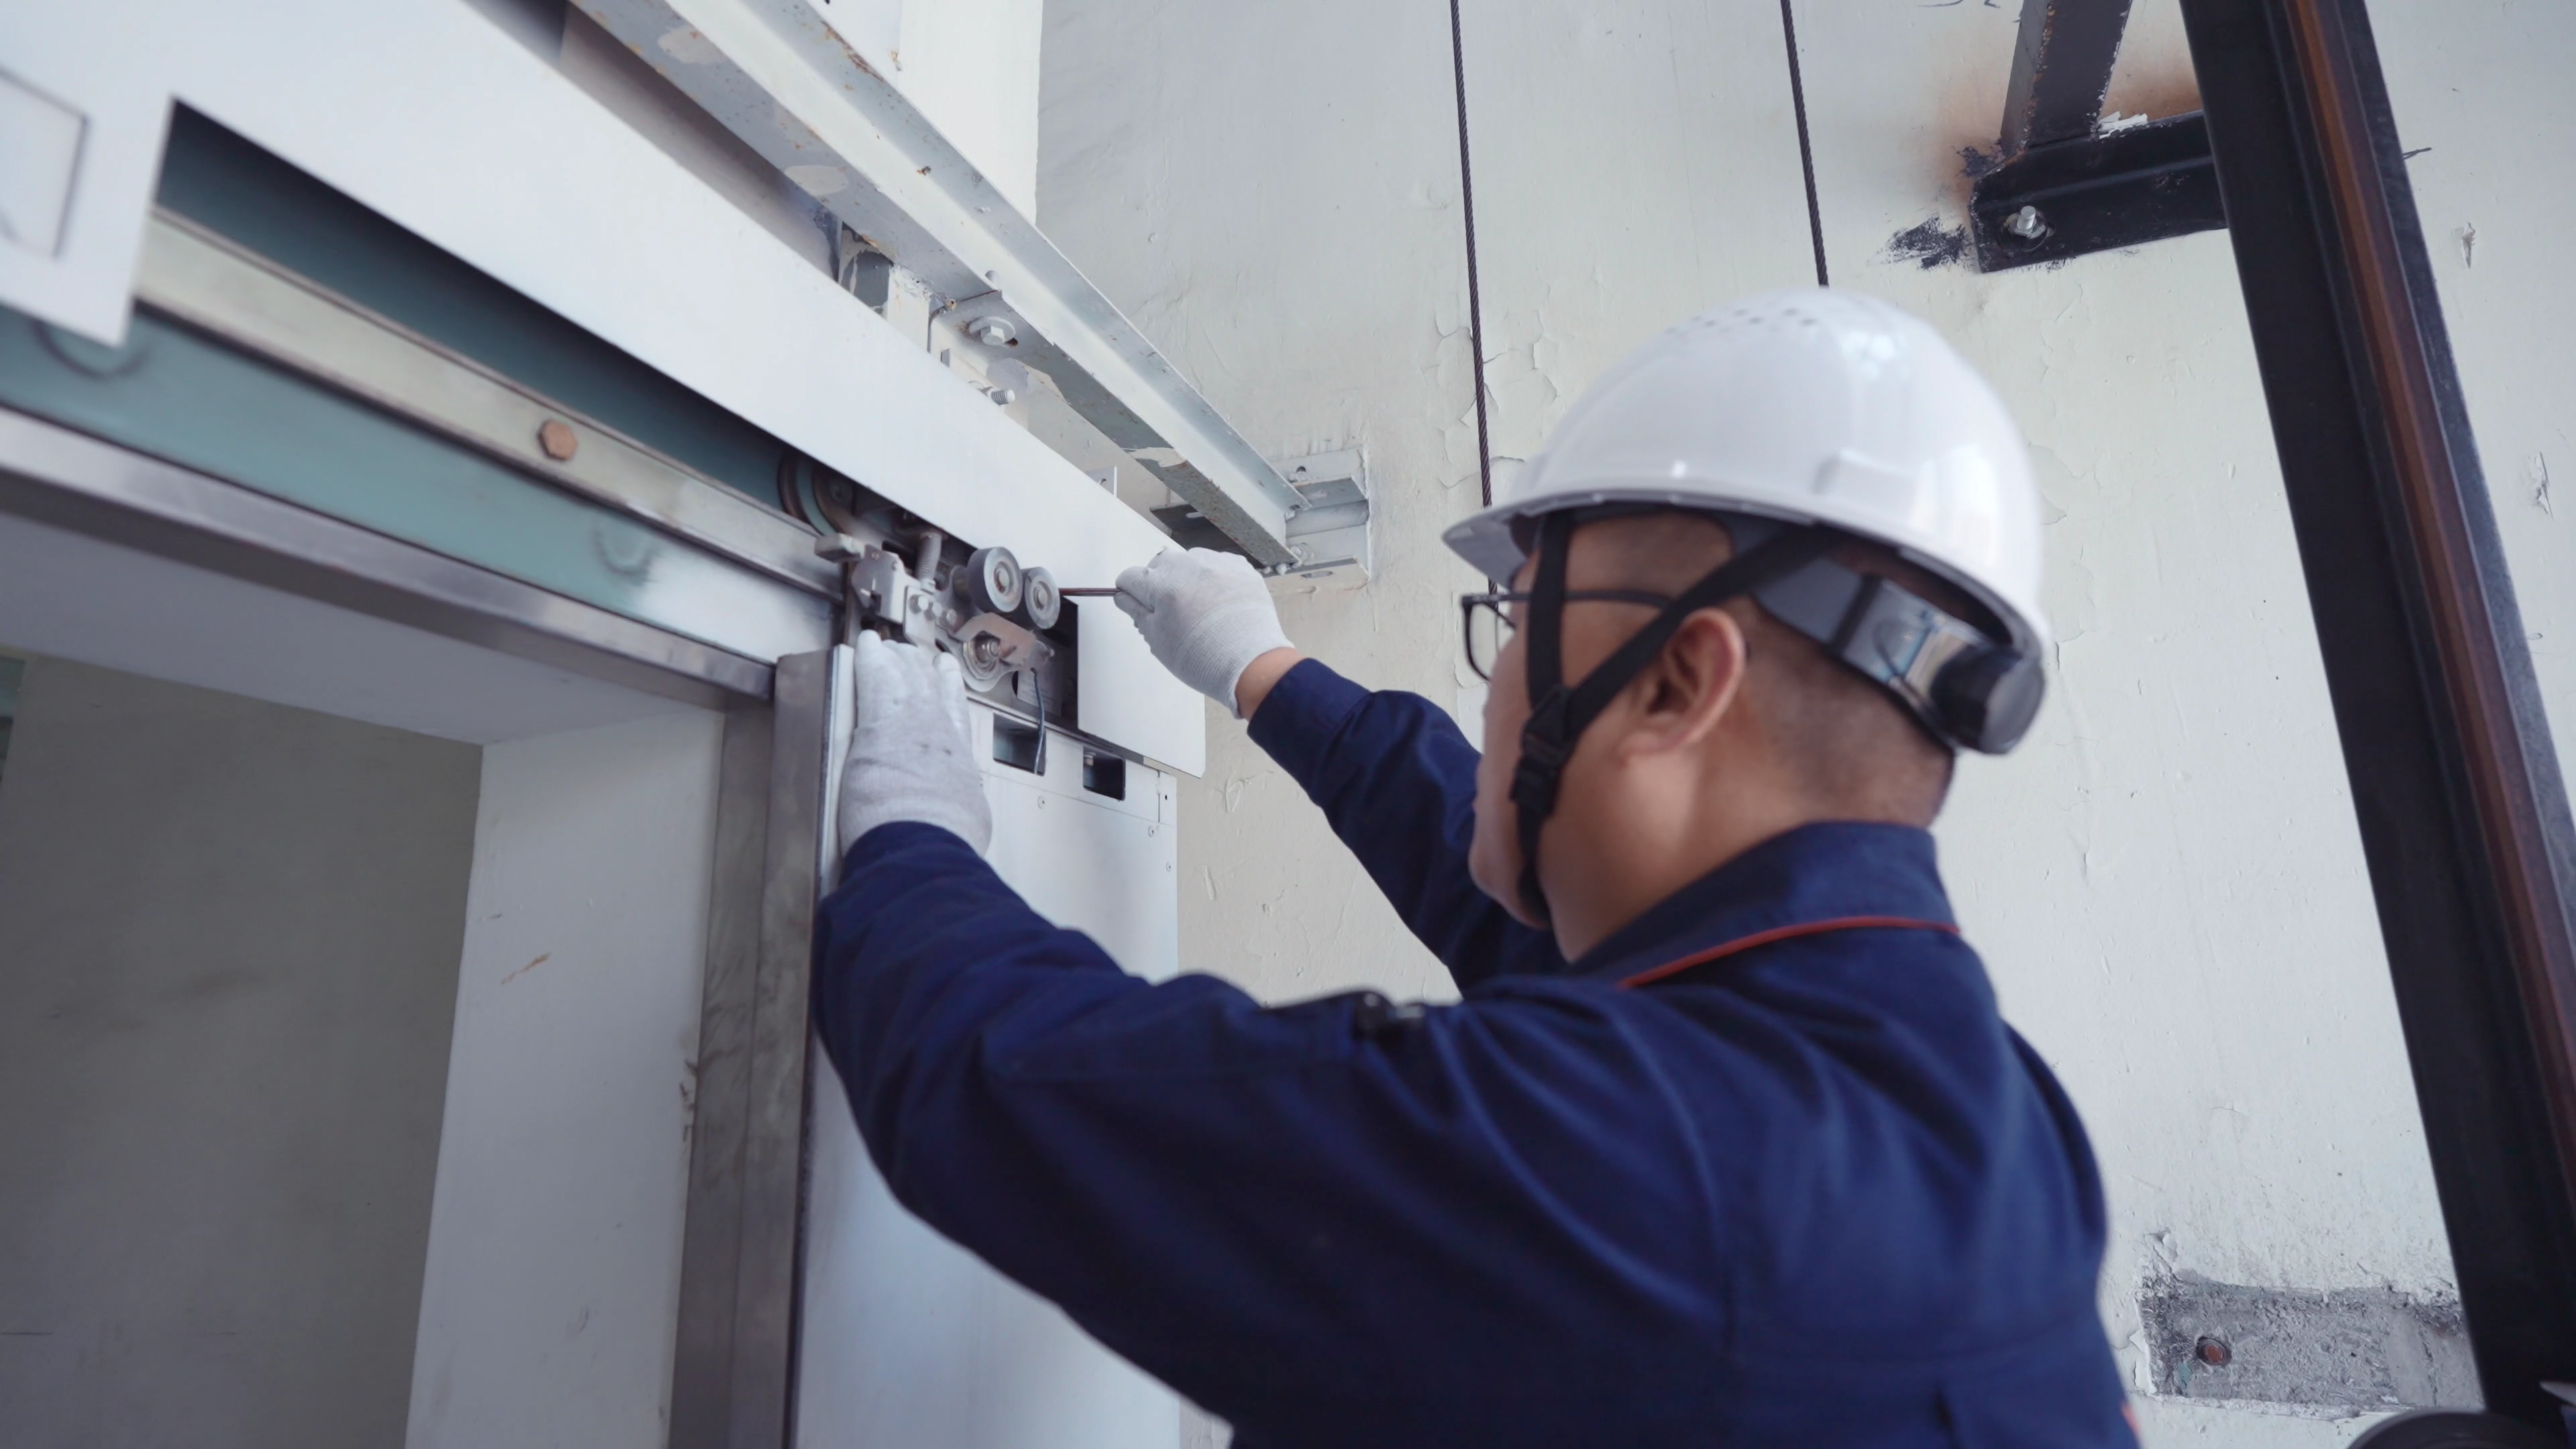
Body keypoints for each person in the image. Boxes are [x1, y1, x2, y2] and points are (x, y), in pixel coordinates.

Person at [812, 288, 2132, 1446]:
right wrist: (1264, 673)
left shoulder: (1631, 1174)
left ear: (1677, 684)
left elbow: (1001, 1086)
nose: (1497, 685)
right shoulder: (1979, 1110)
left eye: (1516, 626)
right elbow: (1516, 909)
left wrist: (911, 831)